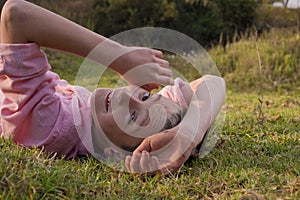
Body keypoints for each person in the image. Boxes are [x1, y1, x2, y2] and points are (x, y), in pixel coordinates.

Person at [0, 0, 226, 174]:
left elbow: (15, 15)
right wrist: (185, 136)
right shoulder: (92, 121)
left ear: (113, 153)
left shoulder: (51, 124)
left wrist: (120, 57)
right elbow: (213, 82)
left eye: (132, 117)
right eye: (146, 97)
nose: (128, 97)